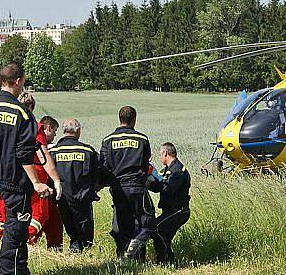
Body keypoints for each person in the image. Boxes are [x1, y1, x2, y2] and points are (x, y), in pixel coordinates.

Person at [0, 63, 52, 275]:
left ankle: (22, 273)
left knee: (17, 225)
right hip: (16, 180)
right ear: (18, 81)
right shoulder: (21, 112)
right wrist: (37, 183)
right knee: (14, 231)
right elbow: (24, 153)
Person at [99, 106, 155, 261]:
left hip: (118, 188)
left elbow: (103, 166)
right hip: (137, 187)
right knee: (146, 220)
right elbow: (146, 164)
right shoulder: (142, 139)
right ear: (134, 119)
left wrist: (103, 183)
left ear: (119, 119)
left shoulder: (108, 140)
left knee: (123, 224)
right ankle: (137, 252)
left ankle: (122, 257)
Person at [18, 92, 63, 250]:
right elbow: (43, 155)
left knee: (53, 219)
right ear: (32, 107)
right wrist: (56, 179)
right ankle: (24, 243)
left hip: (16, 179)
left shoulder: (11, 125)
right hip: (37, 180)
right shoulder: (33, 126)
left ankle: (55, 250)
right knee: (39, 216)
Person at [50, 119, 99, 252]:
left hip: (62, 199)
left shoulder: (54, 151)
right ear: (78, 131)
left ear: (64, 131)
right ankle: (81, 254)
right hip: (83, 199)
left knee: (70, 230)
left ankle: (75, 249)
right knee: (85, 236)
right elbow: (98, 173)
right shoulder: (88, 150)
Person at [147, 142, 191, 265]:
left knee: (156, 229)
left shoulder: (178, 170)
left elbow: (167, 188)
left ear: (165, 153)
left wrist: (152, 183)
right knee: (164, 236)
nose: (160, 157)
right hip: (170, 211)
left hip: (179, 211)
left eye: (160, 154)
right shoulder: (167, 170)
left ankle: (165, 261)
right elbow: (158, 186)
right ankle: (167, 262)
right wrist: (148, 181)